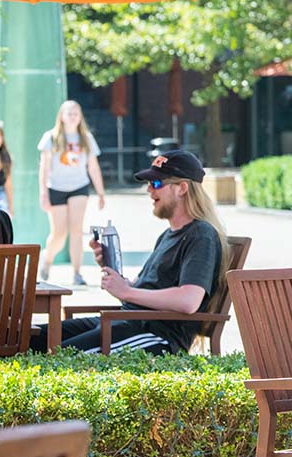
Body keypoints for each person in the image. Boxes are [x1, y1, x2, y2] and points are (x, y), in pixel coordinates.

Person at [28, 150, 226, 355]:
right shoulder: (169, 235)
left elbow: (189, 301)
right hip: (128, 322)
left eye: (157, 184)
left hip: (155, 334)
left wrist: (126, 291)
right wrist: (111, 268)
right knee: (29, 339)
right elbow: (140, 290)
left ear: (182, 188)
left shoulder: (201, 235)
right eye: (148, 184)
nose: (149, 190)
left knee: (58, 357)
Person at [38, 100, 106, 285]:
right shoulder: (51, 138)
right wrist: (43, 193)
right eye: (69, 112)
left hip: (79, 187)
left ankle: (77, 272)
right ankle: (48, 258)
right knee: (59, 233)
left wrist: (100, 192)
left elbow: (93, 166)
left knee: (76, 230)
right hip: (56, 187)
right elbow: (44, 168)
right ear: (61, 116)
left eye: (76, 112)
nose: (73, 115)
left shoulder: (86, 138)